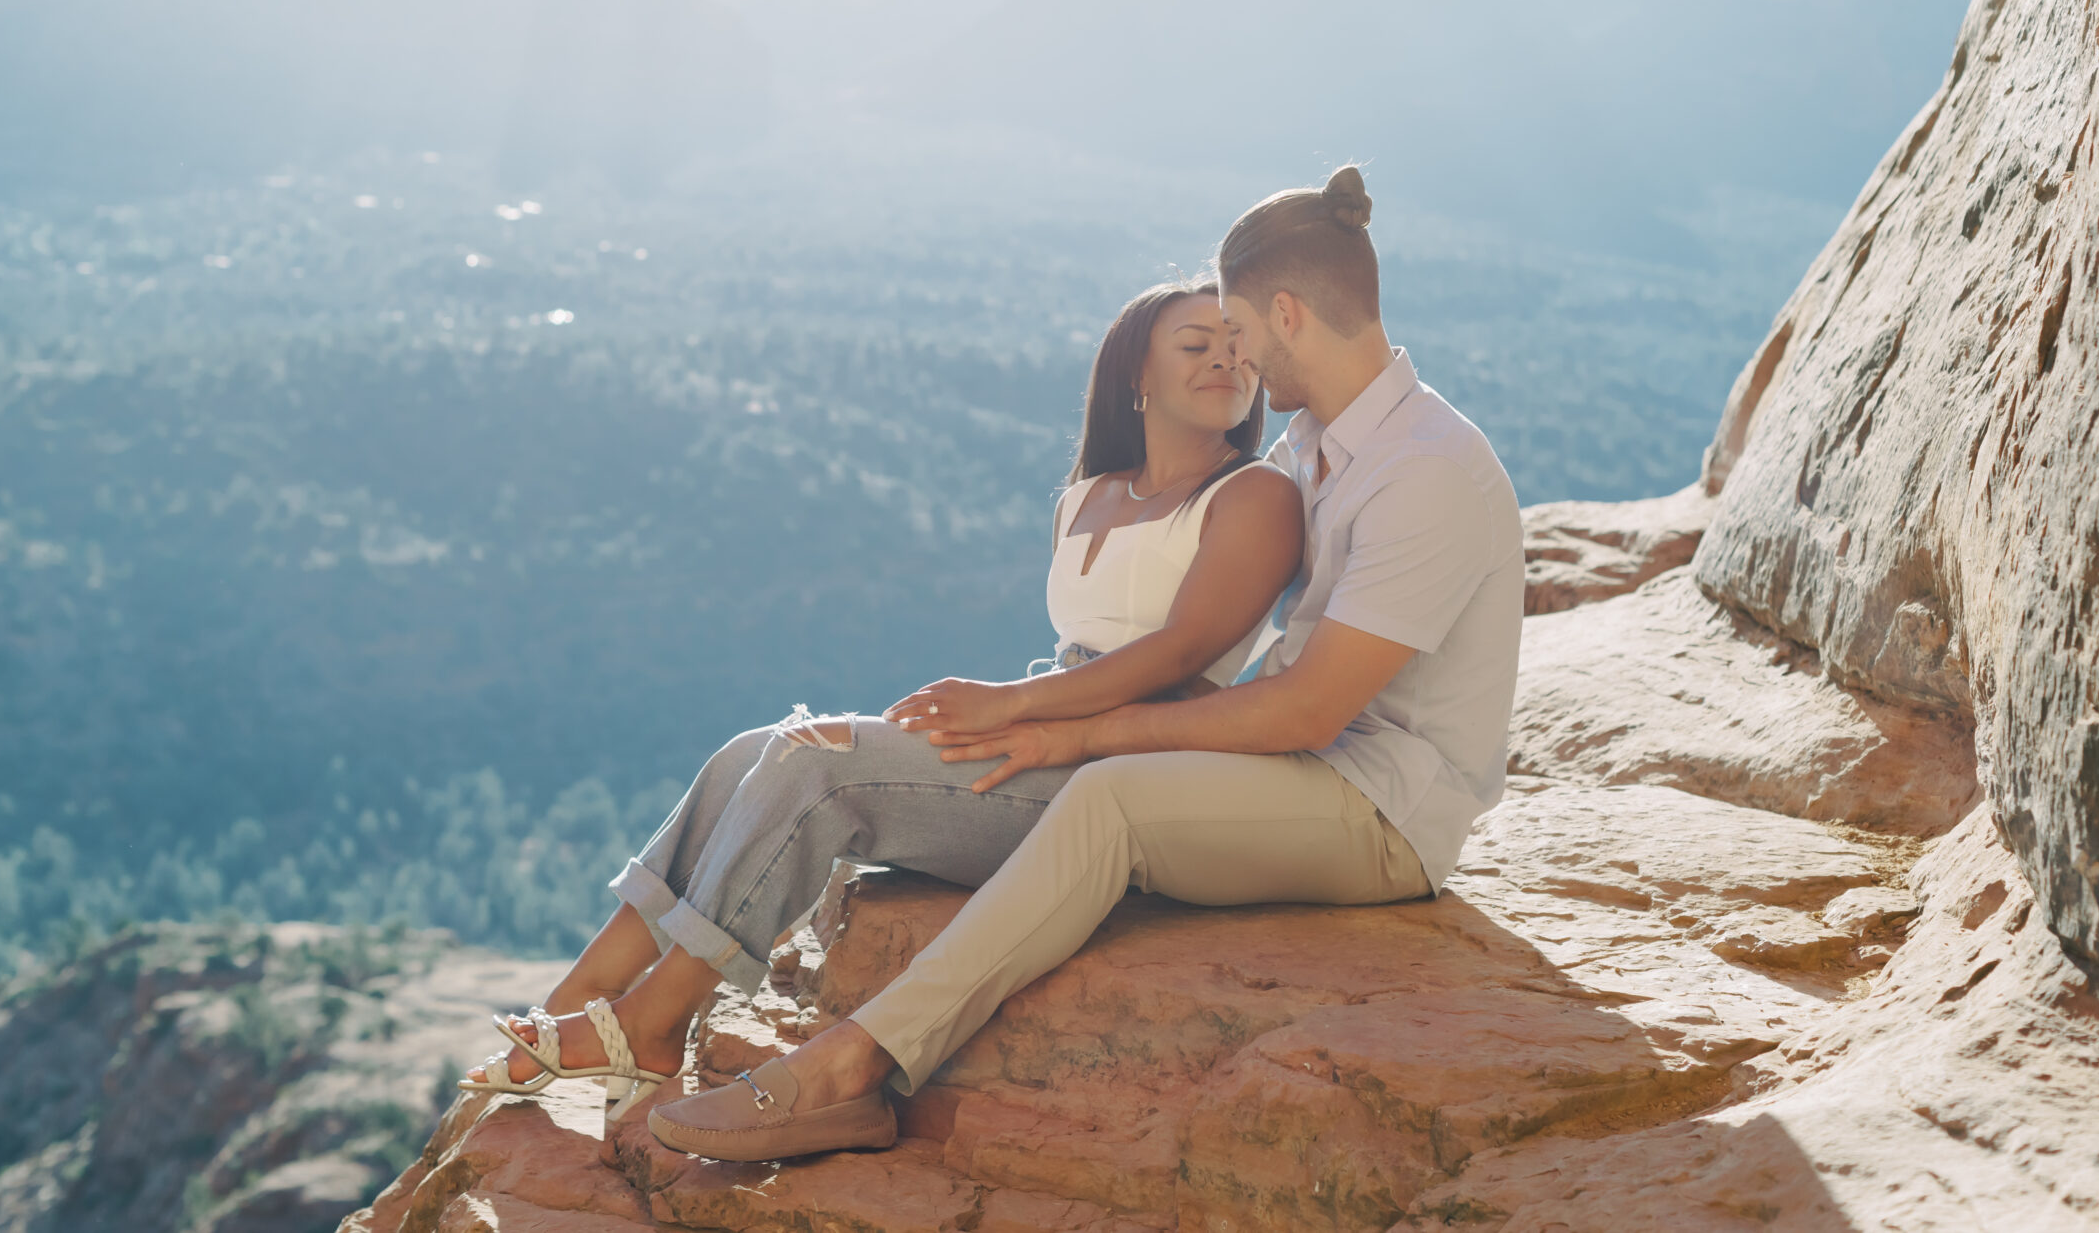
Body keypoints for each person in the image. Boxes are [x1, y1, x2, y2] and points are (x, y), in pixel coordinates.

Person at [647, 164, 1525, 1161]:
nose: (1232, 360)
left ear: (1286, 313)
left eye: (1236, 330)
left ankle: (851, 1070)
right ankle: (653, 1005)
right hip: (1308, 770)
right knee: (1014, 770)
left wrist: (1076, 728)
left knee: (1108, 797)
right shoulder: (1314, 446)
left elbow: (1303, 715)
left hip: (1383, 812)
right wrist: (1053, 706)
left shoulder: (1425, 470)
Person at [456, 278, 1304, 1121]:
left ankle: (650, 1021)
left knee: (817, 772)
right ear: (1137, 376)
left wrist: (1005, 706)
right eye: (1198, 345)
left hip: (1126, 772)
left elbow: (1181, 649)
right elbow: (1077, 652)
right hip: (1045, 729)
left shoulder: (1254, 496)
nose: (1226, 360)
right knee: (755, 749)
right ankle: (584, 991)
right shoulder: (1090, 495)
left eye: (1238, 347)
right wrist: (926, 727)